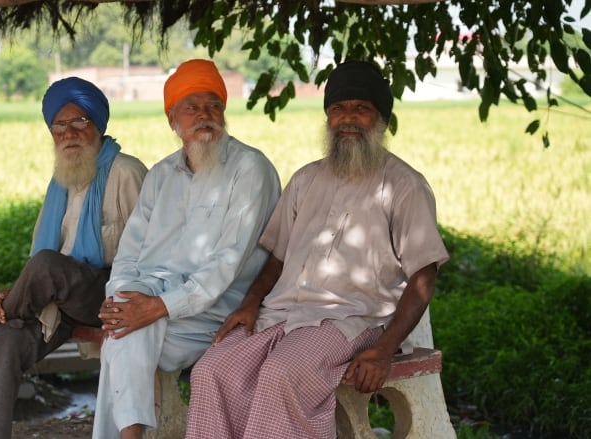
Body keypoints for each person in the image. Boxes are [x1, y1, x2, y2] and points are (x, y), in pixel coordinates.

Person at [185, 60, 450, 439]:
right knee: (211, 371)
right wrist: (249, 304)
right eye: (338, 109)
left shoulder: (404, 186)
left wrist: (386, 349)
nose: (348, 119)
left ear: (382, 121)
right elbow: (277, 256)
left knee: (283, 374)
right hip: (282, 313)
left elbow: (424, 276)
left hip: (352, 318)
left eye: (361, 109)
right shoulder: (306, 179)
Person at [0, 76, 148, 438]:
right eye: (60, 125)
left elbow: (152, 251)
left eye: (79, 121)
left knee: (47, 265)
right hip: (57, 301)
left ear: (97, 125)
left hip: (109, 294)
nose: (69, 133)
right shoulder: (61, 179)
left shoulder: (126, 172)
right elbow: (42, 252)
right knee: (5, 343)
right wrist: (23, 297)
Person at [91, 59, 281, 439]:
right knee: (124, 327)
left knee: (123, 337)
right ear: (172, 119)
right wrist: (119, 300)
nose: (204, 115)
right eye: (190, 107)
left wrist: (156, 308)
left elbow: (226, 263)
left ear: (224, 112)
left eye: (212, 105)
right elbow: (129, 254)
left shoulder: (250, 169)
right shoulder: (161, 175)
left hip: (217, 311)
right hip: (153, 302)